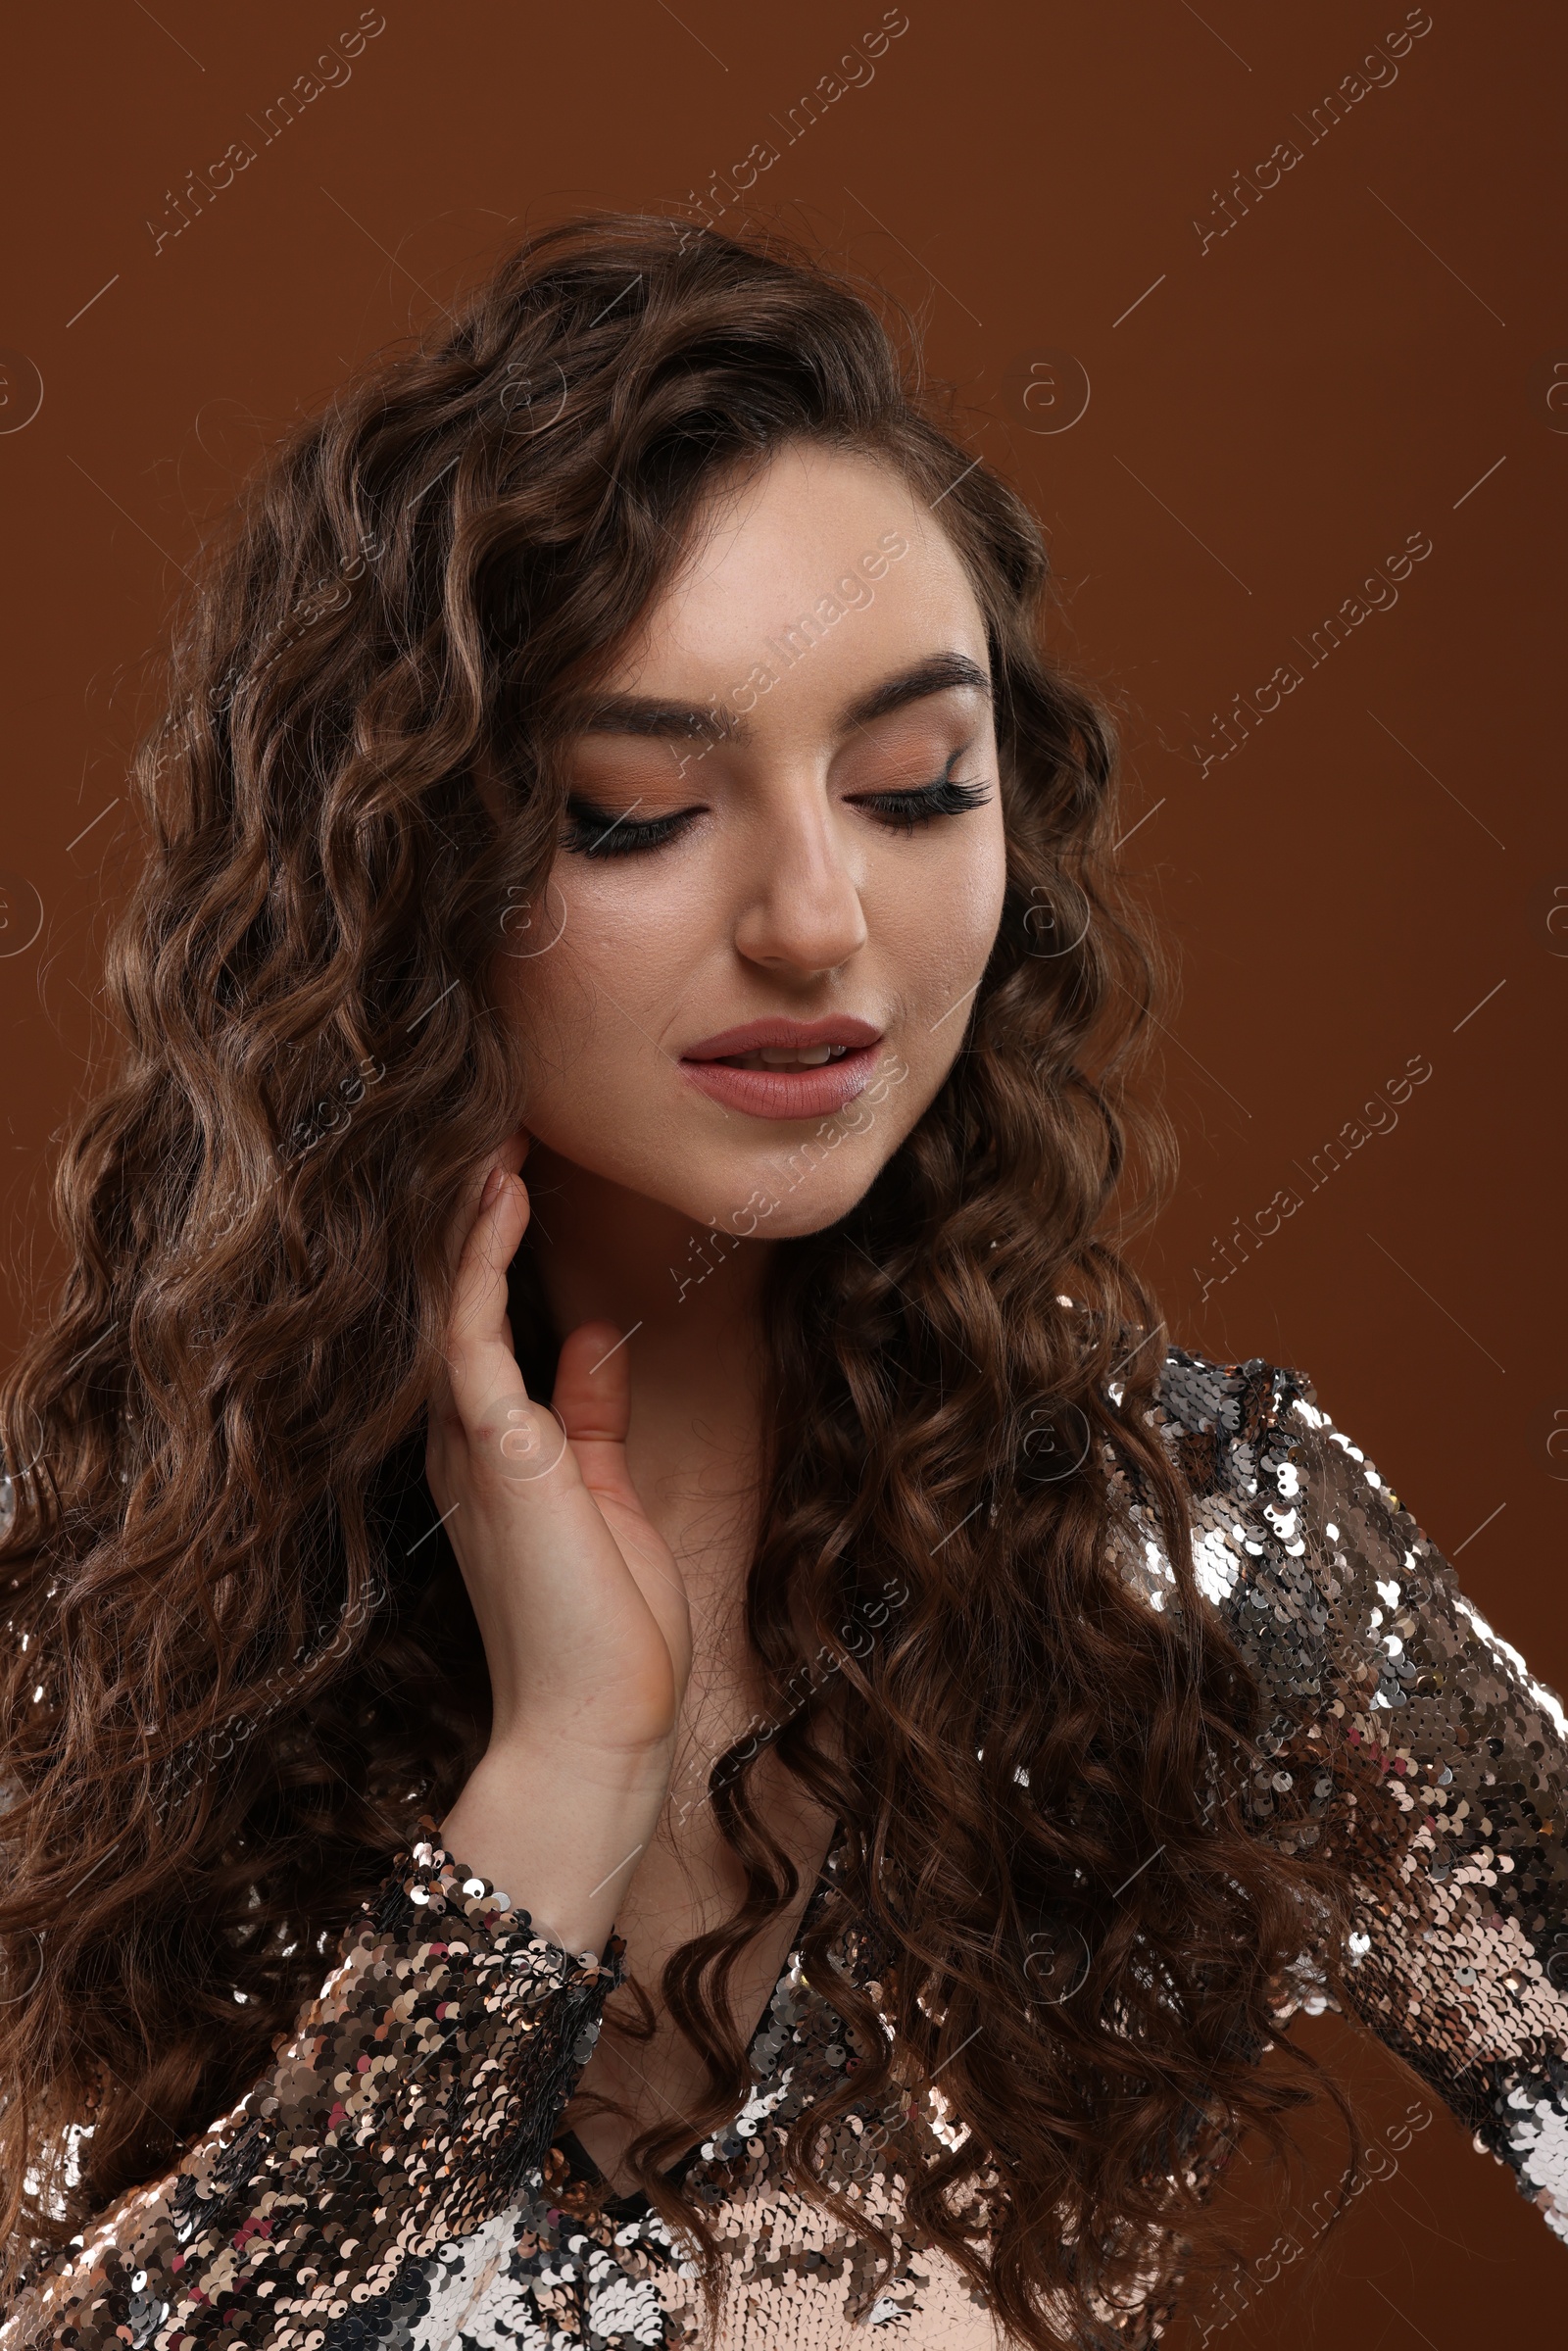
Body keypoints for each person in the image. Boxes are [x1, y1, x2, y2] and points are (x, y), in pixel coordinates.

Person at [0, 213, 1561, 2351]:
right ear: (397, 871)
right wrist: (557, 1786)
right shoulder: (92, 1630)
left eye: (915, 787)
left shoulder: (1199, 1568)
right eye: (640, 811)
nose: (819, 919)